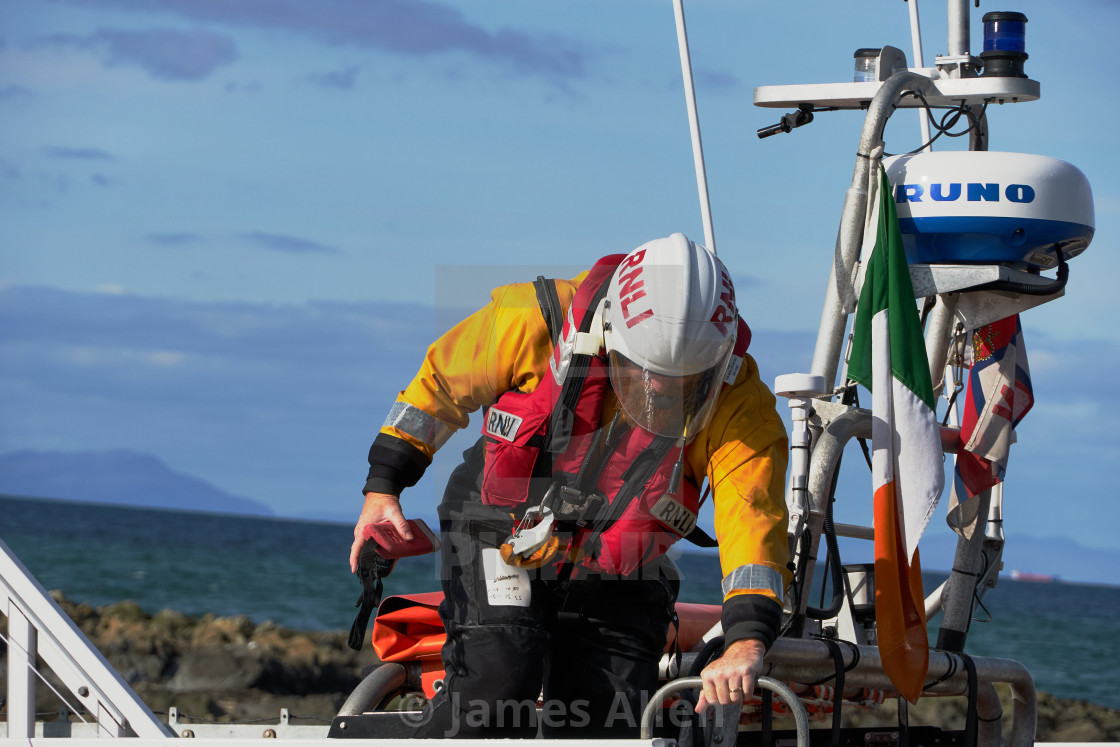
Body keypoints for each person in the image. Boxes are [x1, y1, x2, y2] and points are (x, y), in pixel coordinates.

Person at [350, 233, 791, 737]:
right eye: (648, 371)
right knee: (497, 686)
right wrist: (384, 489)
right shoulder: (534, 318)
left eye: (686, 378)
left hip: (621, 564)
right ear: (608, 334)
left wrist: (747, 639)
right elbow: (441, 386)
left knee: (615, 718)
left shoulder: (742, 405)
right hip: (499, 531)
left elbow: (753, 518)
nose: (663, 389)